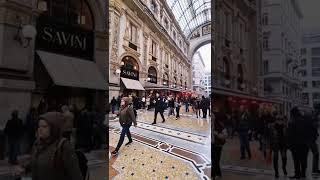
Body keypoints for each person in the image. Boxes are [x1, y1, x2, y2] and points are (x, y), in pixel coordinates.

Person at [16, 112, 83, 180]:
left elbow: (76, 175)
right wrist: (25, 168)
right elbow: (36, 161)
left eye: (44, 126)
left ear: (54, 128)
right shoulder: (37, 143)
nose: (40, 129)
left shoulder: (64, 146)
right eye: (39, 126)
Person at [287, 107, 312, 179]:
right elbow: (310, 132)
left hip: (295, 145)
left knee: (296, 160)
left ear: (293, 114)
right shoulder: (305, 121)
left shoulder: (292, 122)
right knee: (304, 159)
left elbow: (289, 135)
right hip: (305, 144)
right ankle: (303, 174)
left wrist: (289, 145)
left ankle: (297, 174)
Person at [213, 111, 227, 179]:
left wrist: (217, 134)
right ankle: (215, 174)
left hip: (218, 145)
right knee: (214, 160)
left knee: (216, 160)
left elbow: (224, 136)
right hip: (213, 144)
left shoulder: (220, 125)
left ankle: (217, 174)